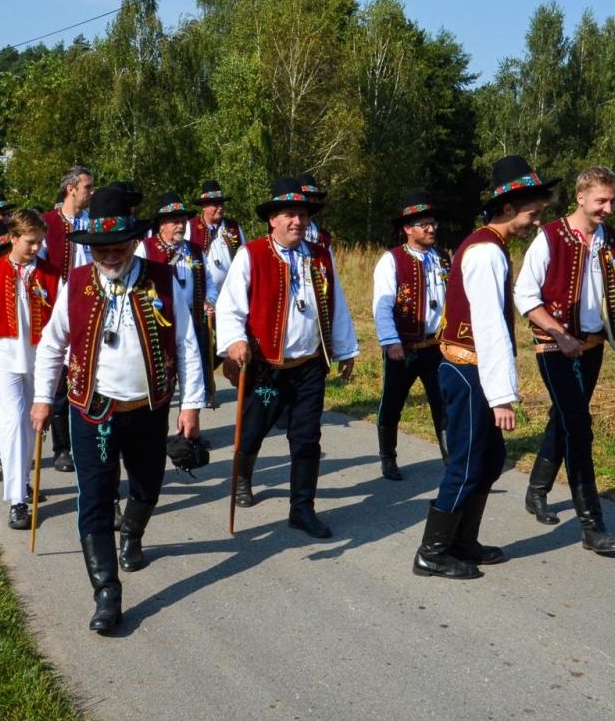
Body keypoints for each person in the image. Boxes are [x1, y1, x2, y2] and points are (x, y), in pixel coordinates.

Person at [31, 186, 207, 634]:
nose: (109, 257)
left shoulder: (162, 280)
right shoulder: (75, 285)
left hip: (149, 408)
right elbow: (52, 345)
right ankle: (107, 593)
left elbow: (187, 345)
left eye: (118, 248)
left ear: (133, 243)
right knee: (94, 498)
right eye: (101, 250)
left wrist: (192, 404)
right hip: (92, 409)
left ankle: (132, 531)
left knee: (148, 485)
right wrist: (40, 398)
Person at [415, 156, 554, 580]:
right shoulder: (485, 253)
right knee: (467, 462)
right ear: (509, 208)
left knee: (490, 459)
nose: (535, 222)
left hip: (474, 370)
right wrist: (503, 397)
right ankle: (431, 553)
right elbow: (490, 328)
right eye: (533, 214)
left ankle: (462, 541)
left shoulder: (490, 246)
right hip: (469, 371)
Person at [515, 166, 615, 554]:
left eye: (612, 200)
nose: (608, 208)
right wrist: (559, 334)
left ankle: (537, 489)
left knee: (565, 416)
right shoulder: (549, 238)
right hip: (553, 346)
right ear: (581, 197)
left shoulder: (612, 241)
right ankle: (592, 525)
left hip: (591, 347)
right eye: (601, 201)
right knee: (579, 425)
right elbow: (525, 295)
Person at [216, 177, 359, 540]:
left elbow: (336, 304)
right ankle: (244, 475)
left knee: (307, 438)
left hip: (309, 365)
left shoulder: (320, 256)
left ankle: (302, 509)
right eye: (290, 215)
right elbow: (230, 306)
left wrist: (345, 349)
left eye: (303, 215)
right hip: (266, 368)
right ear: (273, 220)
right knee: (251, 433)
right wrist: (234, 342)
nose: (298, 221)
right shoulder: (252, 254)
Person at [0, 213, 61, 527]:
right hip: (4, 357)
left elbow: (63, 322)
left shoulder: (51, 275)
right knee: (12, 420)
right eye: (30, 241)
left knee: (32, 423)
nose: (36, 247)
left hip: (40, 359)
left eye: (39, 242)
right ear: (13, 238)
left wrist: (68, 358)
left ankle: (21, 476)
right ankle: (18, 498)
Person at [370, 191, 449, 481]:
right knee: (393, 401)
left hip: (437, 346)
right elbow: (382, 305)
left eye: (433, 223)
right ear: (408, 229)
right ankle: (387, 457)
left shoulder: (442, 258)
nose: (432, 229)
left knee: (444, 402)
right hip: (404, 347)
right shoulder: (391, 260)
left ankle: (451, 461)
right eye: (424, 224)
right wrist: (390, 342)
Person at [41, 165, 95, 474]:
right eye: (87, 186)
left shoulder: (92, 222)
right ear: (71, 189)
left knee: (87, 377)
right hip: (58, 309)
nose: (91, 191)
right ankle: (62, 448)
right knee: (60, 381)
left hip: (90, 308)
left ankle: (85, 441)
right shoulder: (49, 223)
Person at [141, 192, 217, 411]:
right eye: (175, 221)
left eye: (183, 221)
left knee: (195, 373)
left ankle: (189, 434)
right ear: (162, 224)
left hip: (195, 320)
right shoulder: (146, 249)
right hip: (161, 323)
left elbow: (210, 281)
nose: (181, 226)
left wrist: (209, 301)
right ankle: (158, 433)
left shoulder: (194, 250)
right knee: (161, 377)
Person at [188, 180, 246, 316]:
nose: (220, 207)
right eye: (215, 204)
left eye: (221, 203)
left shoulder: (234, 227)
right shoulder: (190, 227)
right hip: (201, 298)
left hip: (230, 296)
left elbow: (243, 258)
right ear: (204, 206)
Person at [297, 173, 333, 251]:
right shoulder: (288, 234)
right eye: (306, 198)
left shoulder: (324, 237)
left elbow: (330, 262)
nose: (310, 203)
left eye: (313, 199)